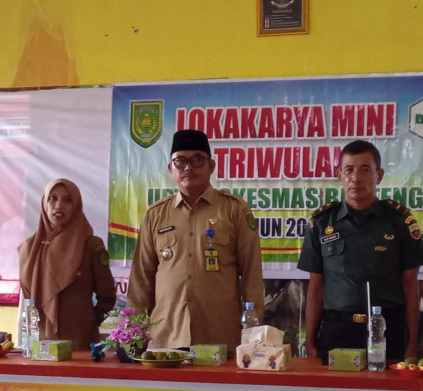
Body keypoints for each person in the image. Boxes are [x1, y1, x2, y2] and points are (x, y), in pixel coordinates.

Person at [128, 129, 264, 350]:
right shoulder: (155, 214)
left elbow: (251, 274)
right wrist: (133, 335)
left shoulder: (234, 209)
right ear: (170, 168)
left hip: (219, 336)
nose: (188, 167)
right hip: (165, 338)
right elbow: (141, 280)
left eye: (197, 159)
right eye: (180, 161)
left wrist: (253, 333)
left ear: (211, 166)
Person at [297, 140, 423, 364]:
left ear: (379, 175)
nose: (355, 178)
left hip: (388, 328)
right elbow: (315, 287)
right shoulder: (321, 223)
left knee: (387, 387)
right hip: (337, 330)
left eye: (365, 170)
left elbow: (410, 286)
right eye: (348, 170)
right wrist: (310, 342)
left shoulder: (400, 221)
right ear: (339, 176)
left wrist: (412, 342)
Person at [19, 178, 115, 351]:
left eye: (67, 200)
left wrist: (87, 322)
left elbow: (107, 297)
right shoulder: (29, 249)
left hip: (80, 342)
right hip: (41, 345)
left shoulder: (91, 245)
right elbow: (29, 299)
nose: (59, 205)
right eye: (53, 198)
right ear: (44, 203)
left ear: (76, 205)